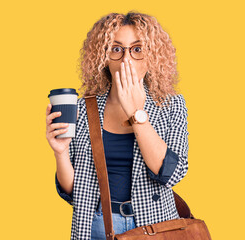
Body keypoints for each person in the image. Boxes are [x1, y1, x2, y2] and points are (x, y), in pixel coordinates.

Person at [45, 11, 189, 240]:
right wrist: (60, 153)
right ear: (104, 56)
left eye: (137, 49)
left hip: (154, 226)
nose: (126, 59)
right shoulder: (83, 109)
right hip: (94, 226)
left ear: (152, 55)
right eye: (116, 49)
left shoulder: (172, 106)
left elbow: (171, 174)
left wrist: (136, 112)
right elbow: (74, 193)